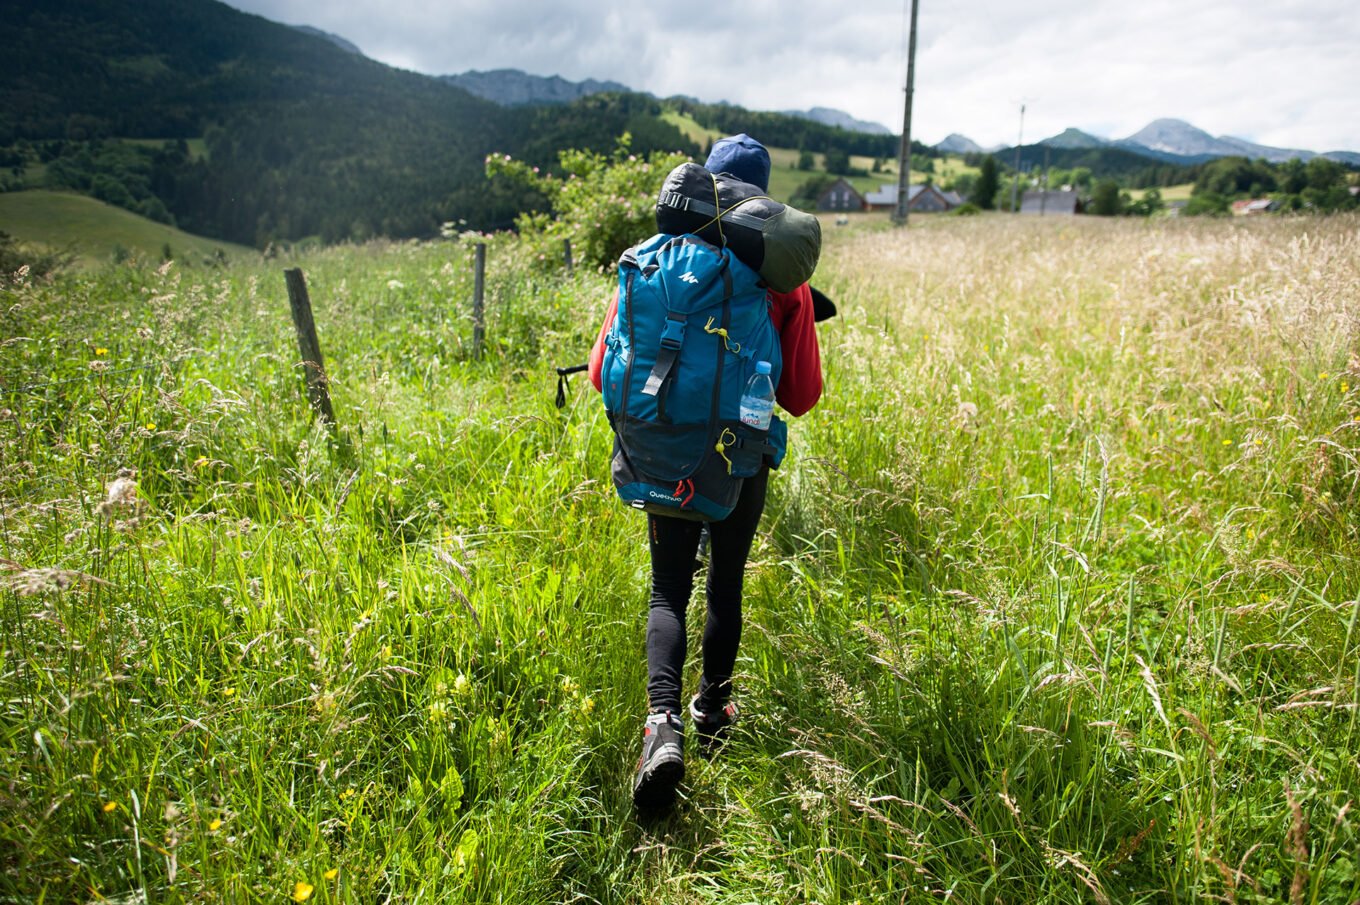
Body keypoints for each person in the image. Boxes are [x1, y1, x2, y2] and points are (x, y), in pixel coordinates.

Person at [587, 134, 823, 809]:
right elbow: (801, 395)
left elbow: (605, 369)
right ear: (763, 196)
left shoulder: (658, 257)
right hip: (736, 461)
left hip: (660, 447)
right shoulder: (780, 277)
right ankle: (712, 715)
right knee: (724, 584)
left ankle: (659, 726)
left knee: (667, 590)